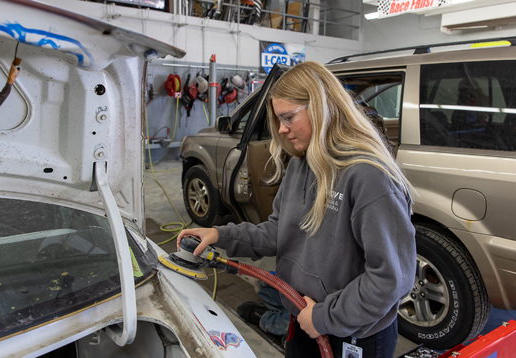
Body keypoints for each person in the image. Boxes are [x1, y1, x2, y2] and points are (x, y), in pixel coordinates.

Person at [178, 61, 416, 358]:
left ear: (321, 107)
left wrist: (324, 318)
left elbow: (390, 279)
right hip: (305, 316)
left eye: (288, 117)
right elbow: (279, 230)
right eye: (278, 119)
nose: (281, 129)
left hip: (353, 333)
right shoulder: (302, 163)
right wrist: (218, 235)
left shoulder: (368, 176)